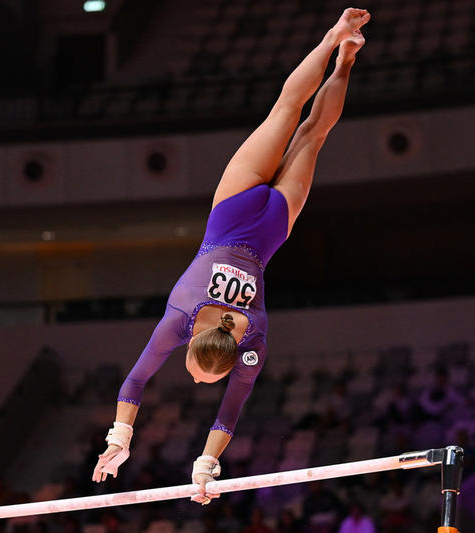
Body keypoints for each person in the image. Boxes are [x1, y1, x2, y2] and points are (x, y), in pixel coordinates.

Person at [92, 7, 371, 504]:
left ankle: (343, 55)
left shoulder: (251, 342)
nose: (198, 379)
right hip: (235, 220)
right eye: (202, 375)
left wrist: (200, 465)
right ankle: (335, 41)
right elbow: (136, 383)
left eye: (198, 375)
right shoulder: (179, 322)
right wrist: (123, 441)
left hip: (267, 231)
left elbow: (227, 409)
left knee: (306, 128)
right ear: (198, 341)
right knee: (288, 114)